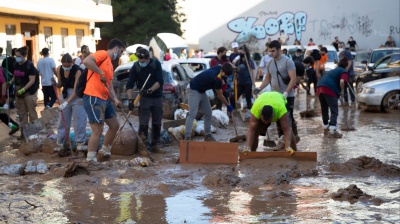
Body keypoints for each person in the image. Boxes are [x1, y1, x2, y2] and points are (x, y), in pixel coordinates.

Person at [82, 38, 125, 162]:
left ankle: (104, 150)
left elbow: (109, 85)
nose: (120, 55)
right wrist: (100, 72)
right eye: (121, 51)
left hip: (105, 98)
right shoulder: (103, 54)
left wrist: (115, 99)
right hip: (93, 96)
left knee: (114, 125)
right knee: (98, 129)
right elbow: (86, 61)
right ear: (116, 48)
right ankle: (90, 159)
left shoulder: (110, 64)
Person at [253, 40, 300, 145]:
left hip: (288, 95)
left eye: (273, 51)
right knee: (278, 117)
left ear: (279, 49)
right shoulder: (270, 63)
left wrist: (286, 93)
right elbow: (267, 79)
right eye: (269, 51)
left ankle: (293, 138)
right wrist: (259, 88)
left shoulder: (288, 62)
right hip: (275, 96)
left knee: (288, 118)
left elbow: (293, 79)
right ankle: (282, 140)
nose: (271, 53)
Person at [126, 48, 164, 154]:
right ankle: (143, 146)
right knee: (143, 123)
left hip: (156, 96)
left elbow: (160, 81)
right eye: (139, 61)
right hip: (144, 98)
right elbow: (129, 84)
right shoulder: (136, 66)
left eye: (143, 61)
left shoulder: (155, 64)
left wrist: (150, 90)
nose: (141, 63)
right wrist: (130, 100)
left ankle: (156, 144)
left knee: (157, 122)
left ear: (147, 59)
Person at [184, 63, 234, 141]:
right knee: (192, 113)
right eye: (226, 75)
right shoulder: (216, 79)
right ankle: (187, 137)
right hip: (193, 89)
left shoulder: (219, 67)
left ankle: (207, 135)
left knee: (208, 112)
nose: (226, 77)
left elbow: (223, 81)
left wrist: (225, 86)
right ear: (223, 72)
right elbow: (220, 95)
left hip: (201, 91)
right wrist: (228, 106)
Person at [55, 53, 87, 153]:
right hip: (65, 94)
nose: (66, 68)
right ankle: (61, 143)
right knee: (63, 120)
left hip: (77, 97)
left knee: (79, 120)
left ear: (72, 63)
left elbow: (76, 90)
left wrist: (66, 103)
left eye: (68, 66)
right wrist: (55, 83)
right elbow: (60, 84)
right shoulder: (59, 69)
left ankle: (80, 144)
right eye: (64, 66)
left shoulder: (78, 70)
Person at [8, 47, 38, 140]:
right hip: (19, 91)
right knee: (22, 114)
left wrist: (24, 89)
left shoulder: (29, 66)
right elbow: (15, 75)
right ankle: (24, 134)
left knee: (32, 114)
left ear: (25, 56)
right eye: (16, 56)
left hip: (29, 92)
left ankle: (35, 134)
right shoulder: (15, 64)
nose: (17, 58)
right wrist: (10, 82)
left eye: (19, 56)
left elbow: (32, 80)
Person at [316, 58, 349, 138]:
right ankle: (332, 131)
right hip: (329, 89)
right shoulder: (343, 72)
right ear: (346, 66)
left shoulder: (332, 71)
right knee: (334, 111)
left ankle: (326, 128)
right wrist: (341, 91)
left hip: (319, 87)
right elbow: (341, 81)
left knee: (324, 109)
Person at [232, 45, 256, 119]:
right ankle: (232, 111)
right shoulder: (238, 61)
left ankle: (249, 113)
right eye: (239, 51)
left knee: (248, 98)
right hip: (240, 83)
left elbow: (253, 71)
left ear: (245, 51)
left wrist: (253, 82)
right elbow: (234, 68)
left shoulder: (249, 61)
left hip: (248, 82)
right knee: (233, 97)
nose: (239, 52)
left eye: (241, 51)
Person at [0, 65, 19, 135]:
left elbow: (3, 83)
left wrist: (3, 96)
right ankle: (14, 126)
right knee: (1, 114)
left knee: (1, 114)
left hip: (1, 94)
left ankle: (14, 126)